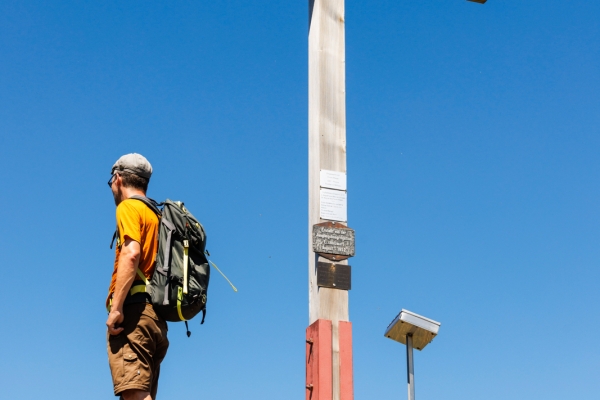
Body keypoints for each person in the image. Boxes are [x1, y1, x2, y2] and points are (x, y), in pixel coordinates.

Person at [106, 153, 169, 400]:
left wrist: (117, 309)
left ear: (118, 178)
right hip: (156, 318)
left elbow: (131, 255)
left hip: (135, 313)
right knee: (136, 393)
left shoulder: (128, 208)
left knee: (134, 395)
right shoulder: (157, 215)